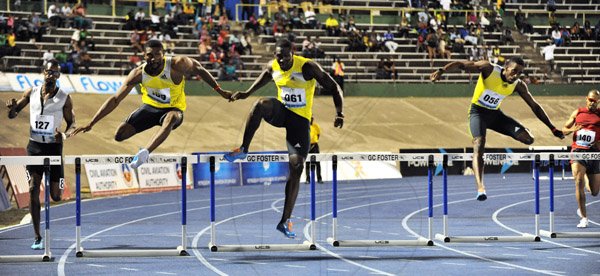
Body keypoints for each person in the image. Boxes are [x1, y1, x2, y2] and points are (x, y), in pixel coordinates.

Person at [224, 39, 344, 238]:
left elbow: (334, 87)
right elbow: (265, 76)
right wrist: (246, 93)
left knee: (296, 167)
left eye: (285, 57)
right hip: (283, 112)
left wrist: (340, 113)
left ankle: (285, 220)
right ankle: (244, 148)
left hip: (300, 120)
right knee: (260, 105)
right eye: (278, 56)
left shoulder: (307, 67)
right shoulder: (274, 65)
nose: (281, 60)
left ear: (293, 53)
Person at [72, 40, 232, 168]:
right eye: (150, 55)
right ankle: (146, 142)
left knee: (170, 118)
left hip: (174, 109)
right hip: (150, 109)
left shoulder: (178, 64)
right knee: (119, 135)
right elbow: (115, 99)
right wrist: (92, 122)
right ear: (144, 55)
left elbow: (200, 69)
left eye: (157, 54)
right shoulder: (138, 74)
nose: (154, 58)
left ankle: (145, 152)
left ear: (163, 54)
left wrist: (220, 90)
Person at [430, 57, 565, 201]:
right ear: (506, 67)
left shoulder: (518, 85)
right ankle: (480, 187)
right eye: (514, 71)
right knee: (479, 143)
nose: (516, 76)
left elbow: (535, 106)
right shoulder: (489, 69)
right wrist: (442, 70)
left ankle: (491, 132)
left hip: (495, 116)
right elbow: (461, 64)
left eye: (520, 73)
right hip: (478, 113)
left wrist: (552, 128)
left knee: (528, 138)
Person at [5, 60, 76, 249]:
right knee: (32, 189)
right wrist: (11, 108)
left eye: (54, 72)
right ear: (43, 73)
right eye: (47, 72)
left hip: (53, 148)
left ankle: (60, 182)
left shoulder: (64, 98)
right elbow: (12, 114)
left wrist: (63, 135)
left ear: (59, 76)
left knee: (56, 196)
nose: (50, 75)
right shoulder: (31, 92)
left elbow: (73, 125)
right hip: (34, 147)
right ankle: (37, 237)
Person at [561, 89, 600, 228]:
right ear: (586, 99)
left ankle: (586, 177)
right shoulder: (578, 112)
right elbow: (564, 129)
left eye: (595, 101)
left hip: (594, 153)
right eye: (590, 100)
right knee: (578, 181)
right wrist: (573, 130)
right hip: (578, 151)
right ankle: (584, 218)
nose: (592, 103)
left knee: (595, 192)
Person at [305, 116, 322, 184]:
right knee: (307, 163)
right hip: (307, 145)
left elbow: (318, 135)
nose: (311, 120)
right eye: (310, 118)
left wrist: (314, 141)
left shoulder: (316, 126)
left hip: (315, 145)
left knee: (317, 163)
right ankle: (308, 179)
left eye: (312, 119)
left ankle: (319, 178)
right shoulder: (305, 127)